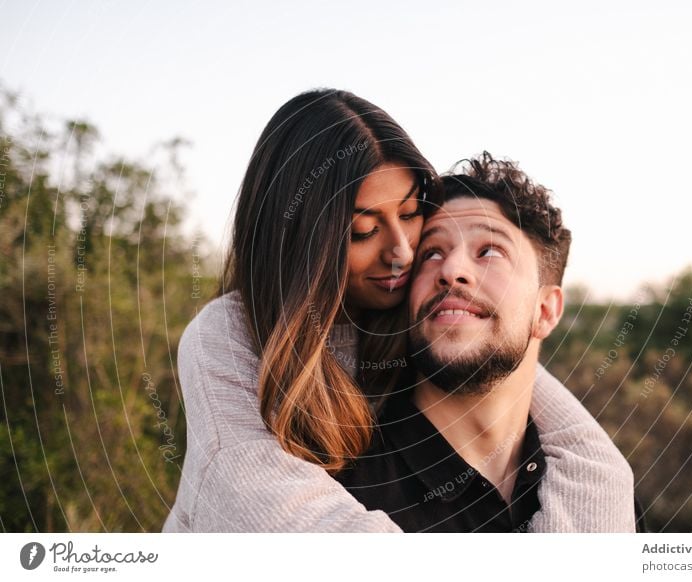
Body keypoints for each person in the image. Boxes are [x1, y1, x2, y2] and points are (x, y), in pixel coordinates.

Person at [162, 89, 634, 533]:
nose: (402, 253)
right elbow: (286, 520)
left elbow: (520, 372)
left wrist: (604, 483)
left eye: (411, 216)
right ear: (302, 245)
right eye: (364, 231)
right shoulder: (228, 335)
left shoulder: (415, 315)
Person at [337, 152, 631, 532]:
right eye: (431, 253)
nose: (451, 270)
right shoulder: (340, 490)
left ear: (545, 310)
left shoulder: (603, 501)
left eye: (489, 251)